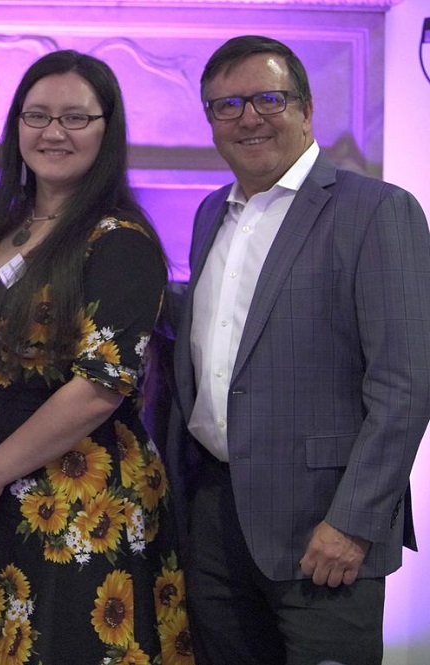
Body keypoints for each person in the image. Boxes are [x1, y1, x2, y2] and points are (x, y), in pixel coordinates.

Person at [0, 50, 193, 665]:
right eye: (37, 115)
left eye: (75, 118)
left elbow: (99, 388)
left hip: (77, 498)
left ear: (107, 132)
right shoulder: (2, 227)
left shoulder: (120, 242)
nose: (53, 132)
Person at [169, 35, 430, 665]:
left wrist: (354, 522)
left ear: (306, 109)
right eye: (226, 106)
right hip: (214, 520)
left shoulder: (378, 211)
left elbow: (406, 384)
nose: (248, 117)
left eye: (268, 98)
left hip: (324, 529)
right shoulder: (211, 214)